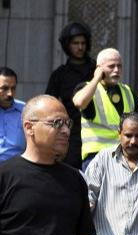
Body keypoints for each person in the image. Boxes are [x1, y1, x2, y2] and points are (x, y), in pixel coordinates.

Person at [0, 95, 99, 235]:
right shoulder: (5, 176)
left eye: (67, 123)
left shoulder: (75, 180)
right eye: (56, 123)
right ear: (29, 128)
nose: (65, 131)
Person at [73, 48, 138, 170]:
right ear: (99, 68)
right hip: (96, 157)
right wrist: (96, 78)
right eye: (111, 66)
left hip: (124, 155)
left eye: (119, 66)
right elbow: (79, 102)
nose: (116, 70)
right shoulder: (88, 88)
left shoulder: (127, 91)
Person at [45, 22, 96, 169]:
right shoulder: (59, 75)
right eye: (75, 43)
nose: (80, 47)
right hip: (71, 133)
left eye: (83, 43)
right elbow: (49, 104)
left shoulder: (97, 70)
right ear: (68, 45)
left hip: (96, 131)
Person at [0, 67, 25, 162]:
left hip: (17, 169)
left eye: (13, 88)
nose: (10, 93)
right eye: (4, 88)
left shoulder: (26, 110)